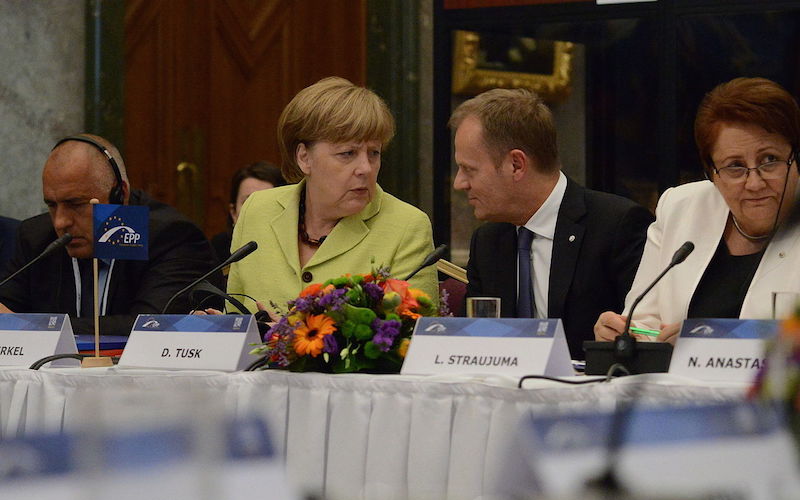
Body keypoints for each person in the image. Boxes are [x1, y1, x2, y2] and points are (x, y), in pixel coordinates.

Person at [451, 88, 654, 358]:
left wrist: (625, 334)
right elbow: (475, 345)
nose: (458, 183)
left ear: (516, 164)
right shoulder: (488, 242)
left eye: (469, 169)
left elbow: (650, 332)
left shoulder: (617, 226)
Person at [594, 77, 800, 344]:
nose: (755, 182)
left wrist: (712, 341)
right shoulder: (680, 208)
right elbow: (643, 323)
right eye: (735, 166)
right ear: (712, 174)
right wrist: (622, 334)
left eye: (769, 160)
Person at [225, 77, 438, 314]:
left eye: (374, 153)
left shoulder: (407, 227)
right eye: (348, 153)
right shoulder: (258, 209)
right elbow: (235, 313)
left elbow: (412, 338)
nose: (365, 168)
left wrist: (292, 338)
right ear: (304, 157)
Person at [0, 134, 218, 335]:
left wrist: (32, 327)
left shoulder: (170, 236)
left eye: (75, 204)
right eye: (52, 205)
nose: (60, 221)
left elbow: (149, 326)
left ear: (120, 194)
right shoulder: (36, 237)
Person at [210, 161, 286, 262]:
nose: (257, 209)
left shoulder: (296, 249)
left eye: (266, 201)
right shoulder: (217, 249)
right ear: (233, 213)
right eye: (248, 202)